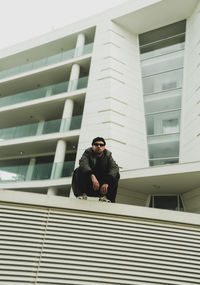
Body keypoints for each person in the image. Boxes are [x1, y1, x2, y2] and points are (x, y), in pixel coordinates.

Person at [72, 137, 120, 203]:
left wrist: (107, 182)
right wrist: (92, 176)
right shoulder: (88, 152)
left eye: (101, 145)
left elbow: (115, 168)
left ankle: (106, 197)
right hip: (90, 184)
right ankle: (81, 194)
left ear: (104, 147)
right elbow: (83, 163)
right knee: (78, 170)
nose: (99, 146)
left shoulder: (108, 155)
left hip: (102, 187)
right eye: (96, 144)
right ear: (92, 146)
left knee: (116, 175)